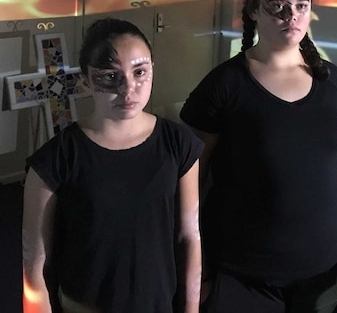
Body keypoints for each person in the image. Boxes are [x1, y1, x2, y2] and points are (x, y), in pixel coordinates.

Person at [180, 0, 337, 312]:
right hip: (244, 275)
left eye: (301, 5)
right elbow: (193, 184)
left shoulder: (333, 82)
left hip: (325, 271)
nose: (291, 15)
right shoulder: (224, 86)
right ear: (253, 9)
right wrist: (197, 271)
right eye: (277, 5)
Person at [22, 18, 203, 313]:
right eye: (110, 76)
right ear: (86, 81)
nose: (127, 88)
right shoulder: (55, 160)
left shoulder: (178, 144)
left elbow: (189, 236)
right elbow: (35, 266)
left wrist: (191, 309)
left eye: (140, 72)